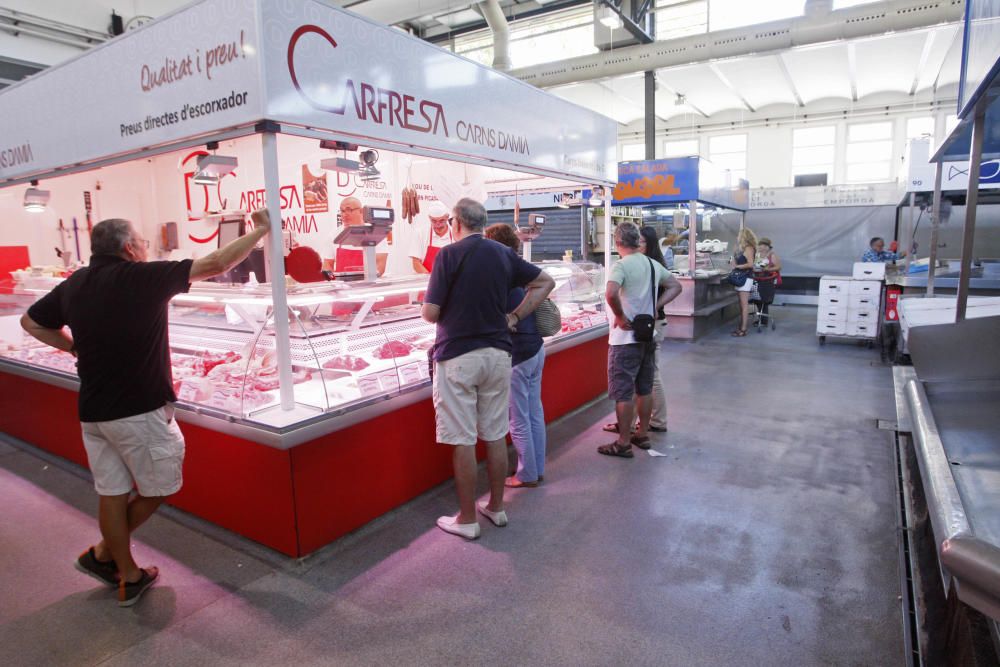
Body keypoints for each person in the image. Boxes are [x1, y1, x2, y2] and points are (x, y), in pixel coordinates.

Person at [19, 210, 272, 606]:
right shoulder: (143, 276)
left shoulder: (77, 283)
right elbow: (218, 263)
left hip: (93, 410)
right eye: (140, 240)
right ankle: (105, 554)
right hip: (138, 410)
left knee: (112, 492)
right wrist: (261, 230)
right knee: (161, 487)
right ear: (128, 247)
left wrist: (73, 347)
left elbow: (30, 322)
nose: (144, 246)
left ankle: (124, 571)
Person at [422, 198, 555, 539]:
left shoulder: (447, 255)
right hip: (499, 354)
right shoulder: (503, 253)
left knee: (463, 439)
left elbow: (431, 313)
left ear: (455, 222)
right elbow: (545, 282)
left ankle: (467, 519)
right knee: (496, 433)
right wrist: (513, 317)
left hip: (458, 356)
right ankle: (496, 508)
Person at [599, 222, 682, 459]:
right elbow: (675, 286)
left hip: (624, 339)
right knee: (644, 388)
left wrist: (620, 316)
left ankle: (623, 442)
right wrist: (656, 306)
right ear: (637, 241)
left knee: (623, 392)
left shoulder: (621, 265)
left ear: (617, 243)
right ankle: (642, 434)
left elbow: (611, 292)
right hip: (647, 336)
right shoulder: (652, 264)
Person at [483, 223, 546, 488]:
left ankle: (526, 474)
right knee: (534, 412)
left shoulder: (500, 273)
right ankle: (536, 467)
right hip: (535, 348)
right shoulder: (520, 271)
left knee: (517, 417)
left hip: (517, 353)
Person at [324, 196, 388, 276]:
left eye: (349, 210)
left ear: (361, 211)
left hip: (368, 285)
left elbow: (379, 266)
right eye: (342, 211)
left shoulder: (374, 234)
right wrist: (334, 281)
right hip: (342, 286)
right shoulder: (334, 235)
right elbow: (328, 264)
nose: (344, 214)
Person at [409, 200, 453, 274]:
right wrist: (432, 280)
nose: (438, 225)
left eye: (442, 220)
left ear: (447, 217)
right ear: (429, 218)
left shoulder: (456, 234)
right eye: (434, 221)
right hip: (427, 281)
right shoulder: (420, 233)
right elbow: (416, 263)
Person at [731, 227, 758, 337]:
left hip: (745, 278)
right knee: (742, 305)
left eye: (739, 235)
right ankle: (741, 326)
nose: (737, 237)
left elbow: (750, 264)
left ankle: (743, 329)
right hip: (742, 277)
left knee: (744, 305)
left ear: (743, 237)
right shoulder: (743, 249)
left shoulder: (749, 249)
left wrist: (737, 266)